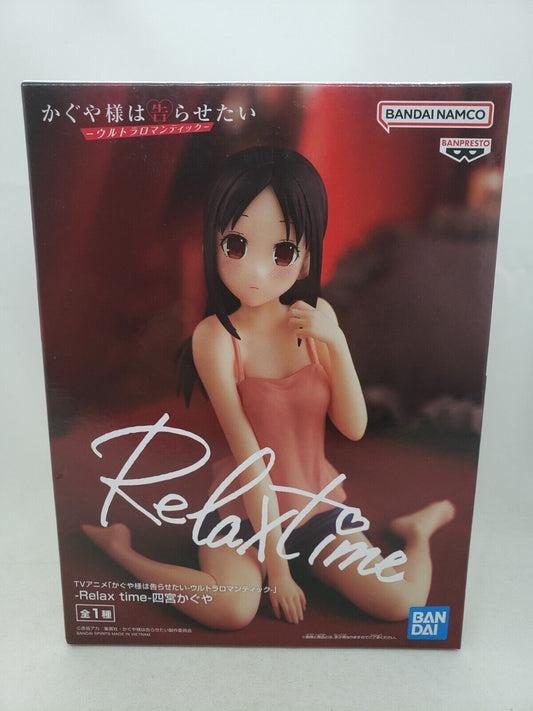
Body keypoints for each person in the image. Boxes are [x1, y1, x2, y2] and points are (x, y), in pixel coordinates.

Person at [83, 146, 454, 629]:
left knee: (402, 603)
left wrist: (337, 343)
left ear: (305, 258)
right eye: (236, 245)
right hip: (243, 514)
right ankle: (123, 552)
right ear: (214, 240)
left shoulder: (317, 318)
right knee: (233, 609)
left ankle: (418, 530)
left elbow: (354, 427)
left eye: (281, 253)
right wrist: (277, 570)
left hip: (316, 508)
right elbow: (250, 461)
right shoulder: (216, 338)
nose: (256, 272)